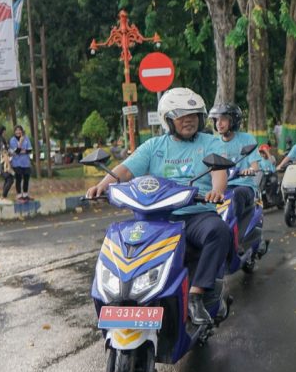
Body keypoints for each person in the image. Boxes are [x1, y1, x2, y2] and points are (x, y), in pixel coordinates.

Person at [85, 87, 233, 325]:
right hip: (156, 218)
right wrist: (102, 185)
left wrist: (217, 191)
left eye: (193, 115)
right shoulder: (154, 146)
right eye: (182, 116)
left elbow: (219, 173)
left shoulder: (210, 143)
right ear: (168, 120)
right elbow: (124, 170)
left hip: (195, 215)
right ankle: (120, 296)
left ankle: (196, 295)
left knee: (219, 231)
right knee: (121, 240)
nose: (189, 121)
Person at [209, 103, 260, 228]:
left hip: (244, 186)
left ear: (233, 121)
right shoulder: (213, 143)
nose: (219, 124)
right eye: (216, 120)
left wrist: (250, 170)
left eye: (223, 119)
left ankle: (235, 236)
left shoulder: (247, 139)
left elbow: (255, 166)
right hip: (221, 187)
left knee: (236, 194)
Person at [9, 126, 33, 202]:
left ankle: (25, 195)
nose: (18, 132)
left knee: (26, 179)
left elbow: (29, 150)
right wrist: (20, 143)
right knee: (18, 179)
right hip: (16, 163)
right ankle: (19, 196)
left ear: (22, 131)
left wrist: (20, 151)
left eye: (19, 130)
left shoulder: (26, 138)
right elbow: (16, 152)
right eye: (16, 130)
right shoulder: (12, 140)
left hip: (26, 162)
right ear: (14, 132)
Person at [0, 125, 15, 205]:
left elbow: (7, 151)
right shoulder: (1, 140)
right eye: (4, 131)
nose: (5, 133)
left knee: (8, 179)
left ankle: (3, 198)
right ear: (2, 132)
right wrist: (8, 166)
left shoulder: (0, 140)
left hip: (3, 163)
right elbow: (4, 153)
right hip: (4, 164)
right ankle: (3, 198)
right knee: (10, 179)